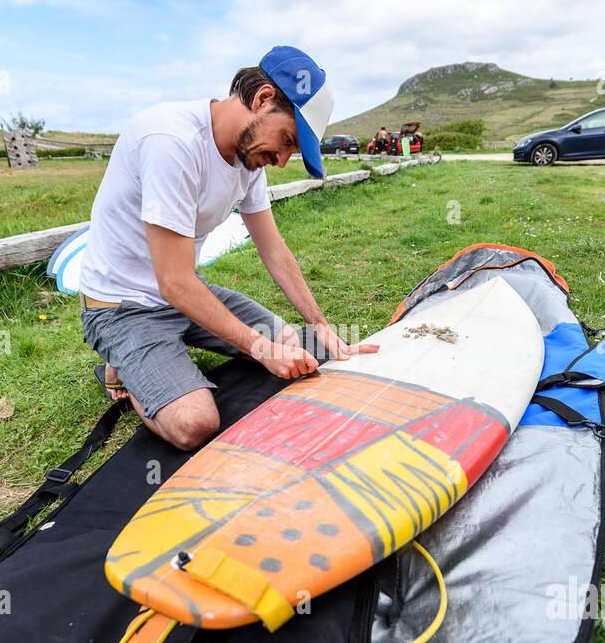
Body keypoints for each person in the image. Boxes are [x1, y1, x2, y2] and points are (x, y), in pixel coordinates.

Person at [78, 45, 379, 451]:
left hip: (184, 294)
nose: (281, 161)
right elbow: (173, 282)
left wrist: (319, 325)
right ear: (263, 99)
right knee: (195, 423)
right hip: (123, 306)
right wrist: (260, 348)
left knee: (294, 344)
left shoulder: (249, 159)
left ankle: (151, 360)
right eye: (287, 140)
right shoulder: (171, 140)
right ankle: (125, 369)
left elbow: (275, 252)